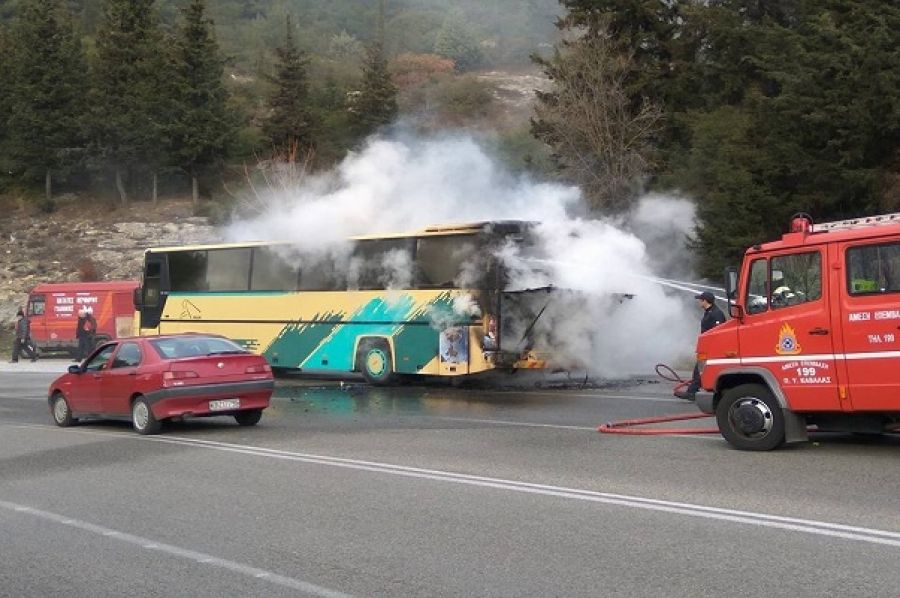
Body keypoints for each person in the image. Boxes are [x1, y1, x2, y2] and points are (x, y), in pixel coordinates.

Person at [675, 291, 726, 401]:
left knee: (701, 369)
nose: (699, 302)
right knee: (700, 369)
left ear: (705, 301)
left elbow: (718, 332)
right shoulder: (709, 312)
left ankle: (692, 392)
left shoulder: (716, 314)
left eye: (700, 300)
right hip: (706, 346)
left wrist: (711, 347)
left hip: (712, 347)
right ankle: (694, 391)